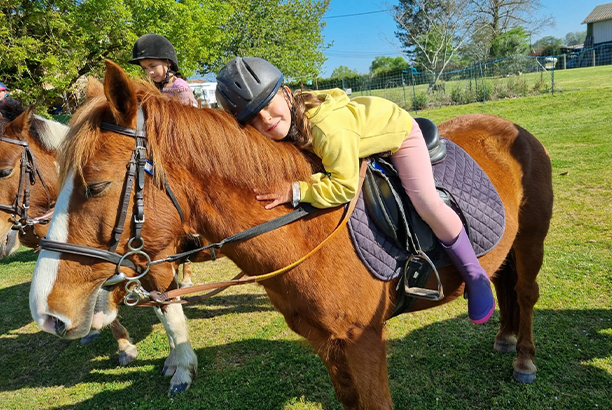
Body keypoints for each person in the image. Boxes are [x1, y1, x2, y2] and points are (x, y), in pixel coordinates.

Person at [215, 57, 495, 324]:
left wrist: (295, 191)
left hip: (397, 134)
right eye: (253, 118)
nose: (265, 119)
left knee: (425, 201)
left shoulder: (326, 129)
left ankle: (474, 275)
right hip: (357, 135)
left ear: (286, 93)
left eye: (268, 103)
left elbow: (344, 186)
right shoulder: (289, 121)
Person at [128, 33, 198, 107]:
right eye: (145, 68)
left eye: (153, 66)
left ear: (169, 63)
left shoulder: (179, 87)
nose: (150, 72)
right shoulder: (153, 88)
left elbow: (192, 115)